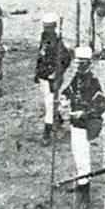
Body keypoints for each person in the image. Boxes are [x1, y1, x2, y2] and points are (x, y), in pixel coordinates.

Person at [60, 45, 105, 209]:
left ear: (89, 64)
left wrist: (84, 113)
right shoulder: (77, 78)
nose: (80, 67)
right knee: (77, 155)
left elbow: (101, 105)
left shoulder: (93, 82)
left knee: (83, 159)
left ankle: (85, 194)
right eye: (78, 64)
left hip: (86, 124)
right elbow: (69, 90)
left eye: (83, 64)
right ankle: (81, 183)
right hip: (75, 123)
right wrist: (64, 97)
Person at [34, 12, 72, 145]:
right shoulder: (44, 37)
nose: (47, 30)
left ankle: (47, 132)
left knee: (49, 104)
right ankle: (58, 116)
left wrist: (58, 73)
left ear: (54, 27)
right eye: (45, 27)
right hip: (43, 75)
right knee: (47, 100)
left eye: (49, 27)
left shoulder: (58, 42)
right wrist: (36, 72)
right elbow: (40, 56)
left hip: (52, 78)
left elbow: (67, 59)